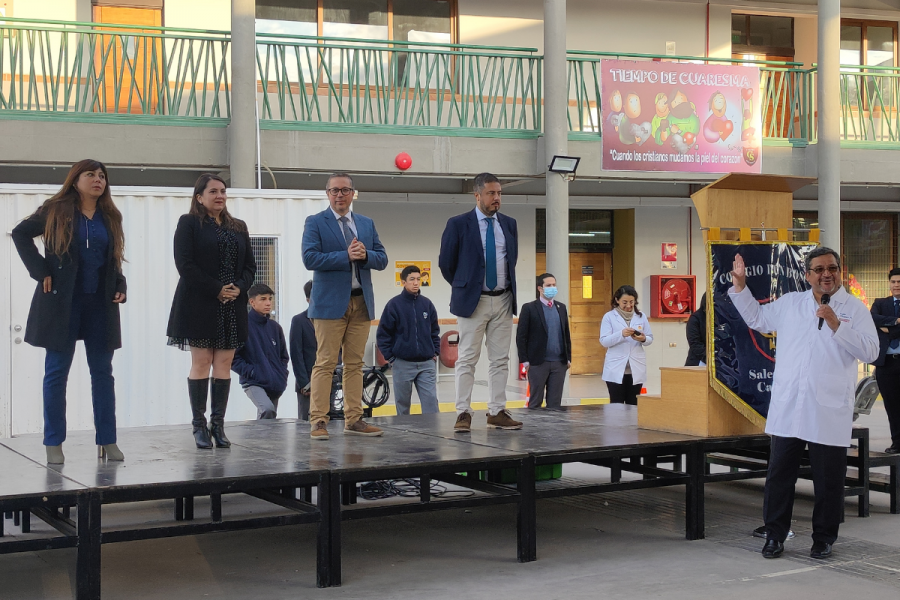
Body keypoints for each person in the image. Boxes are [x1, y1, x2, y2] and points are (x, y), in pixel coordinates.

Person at [729, 247, 878, 560]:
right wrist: (741, 286)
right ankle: (774, 535)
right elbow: (757, 318)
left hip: (828, 408)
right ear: (808, 275)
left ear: (839, 271)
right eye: (819, 269)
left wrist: (838, 324)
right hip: (790, 405)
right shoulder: (791, 304)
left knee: (829, 478)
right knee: (780, 473)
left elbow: (871, 352)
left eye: (832, 268)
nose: (827, 274)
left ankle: (823, 538)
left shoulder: (854, 309)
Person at [12, 159, 127, 465]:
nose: (98, 179)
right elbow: (20, 234)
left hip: (100, 305)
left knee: (103, 373)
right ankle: (53, 443)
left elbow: (113, 258)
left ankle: (108, 440)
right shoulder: (56, 209)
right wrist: (39, 269)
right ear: (76, 180)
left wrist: (121, 284)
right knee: (56, 373)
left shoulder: (110, 216)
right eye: (90, 174)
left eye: (102, 175)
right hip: (62, 302)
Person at [167, 174, 256, 449]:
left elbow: (250, 266)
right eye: (213, 191)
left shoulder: (238, 226)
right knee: (202, 361)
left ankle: (218, 425)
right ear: (199, 197)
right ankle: (199, 426)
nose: (220, 195)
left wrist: (238, 288)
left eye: (223, 191)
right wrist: (216, 288)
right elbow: (185, 264)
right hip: (200, 301)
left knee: (225, 363)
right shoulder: (190, 223)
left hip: (232, 303)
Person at [302, 173, 388, 440]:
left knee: (355, 363)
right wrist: (345, 256)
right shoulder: (316, 222)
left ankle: (355, 419)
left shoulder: (366, 223)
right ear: (327, 193)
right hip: (329, 305)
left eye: (345, 190)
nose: (340, 195)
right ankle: (318, 421)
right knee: (325, 362)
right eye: (334, 190)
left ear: (353, 193)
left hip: (361, 301)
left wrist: (366, 255)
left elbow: (382, 258)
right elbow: (309, 258)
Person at [439, 172, 522, 432]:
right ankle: (463, 412)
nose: (496, 198)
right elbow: (446, 264)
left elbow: (512, 259)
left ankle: (497, 410)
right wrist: (466, 286)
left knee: (500, 360)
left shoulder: (509, 224)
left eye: (499, 193)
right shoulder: (458, 224)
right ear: (477, 195)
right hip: (472, 302)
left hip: (504, 299)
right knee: (467, 359)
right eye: (491, 193)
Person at [377, 265, 441, 415]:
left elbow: (435, 332)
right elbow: (383, 334)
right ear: (403, 282)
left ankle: (434, 435)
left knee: (431, 402)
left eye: (418, 279)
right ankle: (404, 435)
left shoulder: (427, 304)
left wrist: (435, 352)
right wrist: (392, 358)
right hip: (402, 364)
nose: (416, 283)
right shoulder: (394, 305)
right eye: (412, 279)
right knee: (403, 405)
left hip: (426, 364)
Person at [231, 284, 289, 419]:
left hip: (275, 382)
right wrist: (252, 372)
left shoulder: (275, 327)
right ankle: (261, 439)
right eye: (263, 299)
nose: (268, 303)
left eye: (270, 299)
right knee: (267, 410)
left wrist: (280, 374)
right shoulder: (242, 325)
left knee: (269, 419)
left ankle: (262, 440)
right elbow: (233, 358)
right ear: (252, 302)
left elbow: (284, 356)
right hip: (253, 382)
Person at [517, 273, 572, 409]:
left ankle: (553, 430)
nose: (552, 288)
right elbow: (521, 336)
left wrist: (568, 359)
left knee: (554, 403)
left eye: (554, 285)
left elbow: (566, 334)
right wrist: (525, 361)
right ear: (540, 288)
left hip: (559, 363)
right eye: (548, 285)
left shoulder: (561, 308)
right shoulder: (529, 308)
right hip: (537, 363)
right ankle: (535, 430)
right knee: (535, 402)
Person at [600, 285, 653, 405]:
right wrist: (621, 334)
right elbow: (604, 341)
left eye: (631, 302)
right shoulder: (609, 317)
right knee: (616, 404)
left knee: (633, 404)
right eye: (624, 302)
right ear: (617, 300)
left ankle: (632, 425)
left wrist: (643, 339)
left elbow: (650, 339)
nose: (628, 306)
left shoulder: (641, 316)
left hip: (636, 368)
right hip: (616, 368)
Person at [869, 267, 900, 454]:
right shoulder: (880, 303)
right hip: (886, 363)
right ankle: (897, 442)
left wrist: (887, 328)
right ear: (889, 284)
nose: (897, 285)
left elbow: (881, 325)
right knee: (892, 405)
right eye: (894, 282)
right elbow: (871, 319)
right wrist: (896, 321)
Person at [290, 280, 317, 421]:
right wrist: (304, 383)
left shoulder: (334, 322)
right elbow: (296, 353)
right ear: (308, 299)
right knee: (306, 422)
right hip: (308, 383)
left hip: (331, 381)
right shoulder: (299, 321)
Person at [685, 292, 707, 366]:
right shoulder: (696, 318)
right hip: (698, 361)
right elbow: (695, 343)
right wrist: (710, 359)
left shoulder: (722, 317)